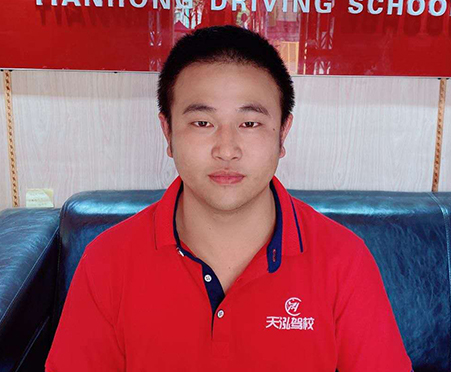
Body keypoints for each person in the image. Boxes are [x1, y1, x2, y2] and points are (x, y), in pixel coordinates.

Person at [45, 25, 413, 371]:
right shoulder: (107, 262)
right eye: (202, 123)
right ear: (167, 132)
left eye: (249, 123)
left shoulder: (343, 260)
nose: (226, 149)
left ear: (283, 133)